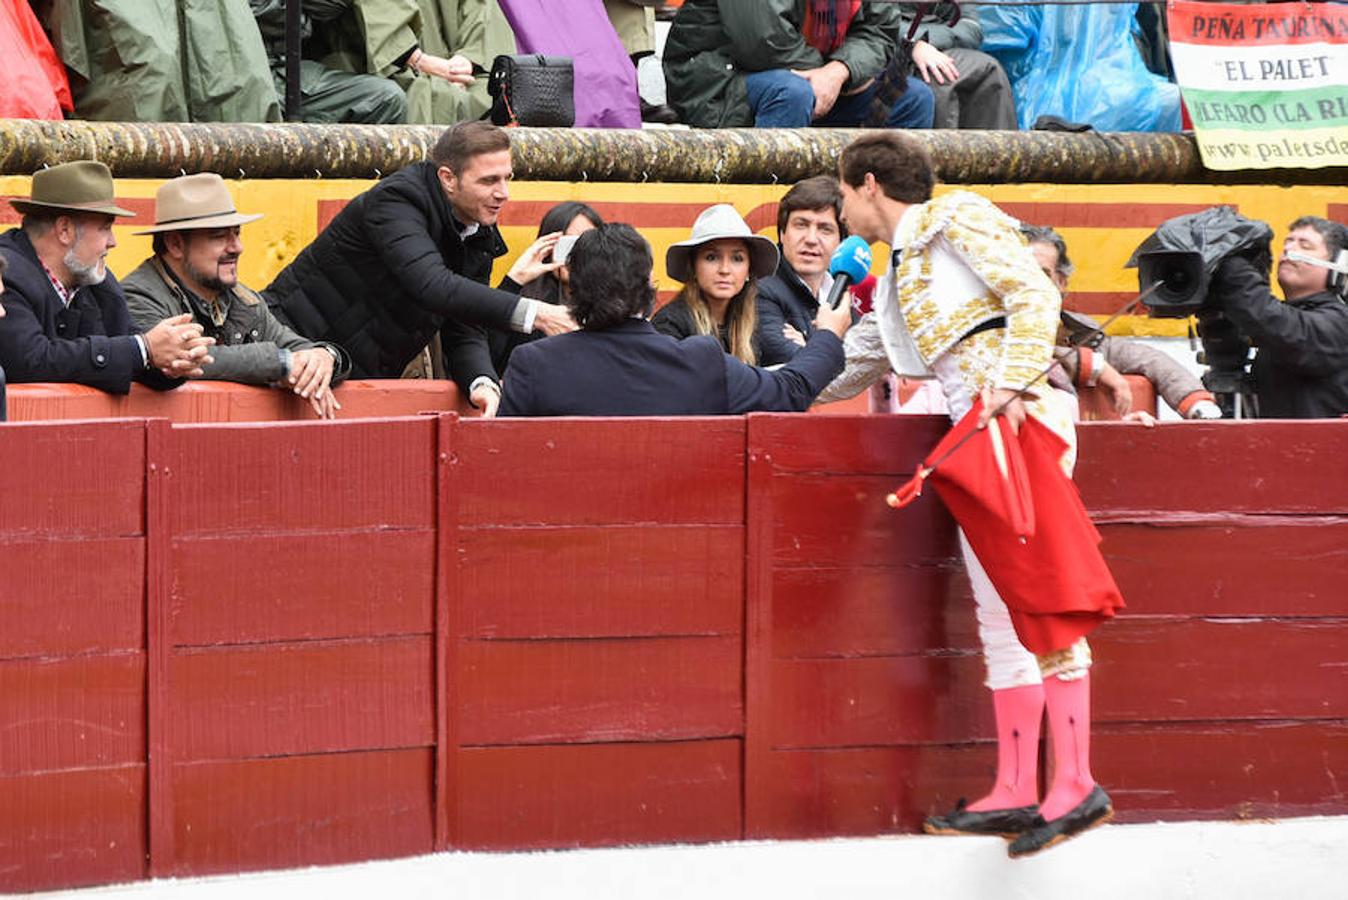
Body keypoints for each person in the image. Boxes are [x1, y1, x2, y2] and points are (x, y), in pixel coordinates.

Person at [820, 132, 1117, 857]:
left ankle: (1075, 780)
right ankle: (1018, 787)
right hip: (972, 432)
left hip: (1014, 422)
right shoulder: (896, 270)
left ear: (866, 184)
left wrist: (1012, 382)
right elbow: (862, 362)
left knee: (1037, 597)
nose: (837, 210)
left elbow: (1033, 292)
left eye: (840, 194)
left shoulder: (957, 217)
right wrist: (768, 389)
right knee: (998, 610)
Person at [264, 121, 574, 416]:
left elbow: (465, 327)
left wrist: (480, 382)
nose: (503, 193)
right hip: (290, 351)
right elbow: (434, 285)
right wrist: (539, 313)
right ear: (448, 178)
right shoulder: (397, 200)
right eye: (489, 180)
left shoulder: (478, 229)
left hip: (349, 375)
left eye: (508, 177)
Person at [499, 223, 851, 416]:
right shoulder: (700, 361)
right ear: (650, 287)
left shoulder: (533, 364)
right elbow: (791, 390)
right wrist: (828, 334)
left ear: (572, 292)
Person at [122, 174, 352, 419]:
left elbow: (294, 348)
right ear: (175, 244)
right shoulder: (137, 296)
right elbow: (183, 360)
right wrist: (281, 364)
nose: (237, 247)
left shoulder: (244, 300)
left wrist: (325, 357)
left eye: (237, 233)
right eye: (219, 236)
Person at [0, 161, 214, 394]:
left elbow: (126, 347)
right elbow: (29, 361)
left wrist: (171, 362)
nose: (113, 242)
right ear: (64, 230)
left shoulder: (96, 280)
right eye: (105, 227)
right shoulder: (6, 272)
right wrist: (143, 349)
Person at [1021, 224, 1222, 421]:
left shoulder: (1079, 332)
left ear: (1061, 283)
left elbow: (1148, 359)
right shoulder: (994, 327)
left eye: (1042, 274)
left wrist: (1197, 403)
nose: (1030, 283)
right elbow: (1024, 357)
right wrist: (1094, 366)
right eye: (1020, 273)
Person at [662, 0, 934, 130]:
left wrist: (841, 71)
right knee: (792, 93)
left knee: (910, 98)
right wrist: (831, 76)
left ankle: (887, 217)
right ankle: (776, 207)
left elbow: (878, 31)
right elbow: (763, 41)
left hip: (821, 78)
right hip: (720, 82)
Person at [1210, 216, 1348, 418]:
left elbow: (1274, 321)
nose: (1289, 251)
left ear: (1339, 264)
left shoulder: (1340, 322)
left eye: (1305, 245)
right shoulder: (1283, 322)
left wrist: (1228, 262)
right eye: (1288, 243)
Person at [652, 204, 777, 365]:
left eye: (737, 259)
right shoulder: (670, 325)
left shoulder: (749, 323)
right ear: (693, 267)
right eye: (711, 257)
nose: (724, 269)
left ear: (748, 270)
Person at [489, 201, 604, 376]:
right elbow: (488, 353)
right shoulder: (524, 302)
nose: (575, 255)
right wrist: (512, 283)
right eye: (567, 244)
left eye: (585, 243)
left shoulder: (612, 306)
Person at [249, 0, 410, 124]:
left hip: (286, 70)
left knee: (388, 98)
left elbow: (330, 6)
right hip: (249, 72)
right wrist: (303, 16)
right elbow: (263, 12)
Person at [755, 175, 847, 367]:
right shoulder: (760, 290)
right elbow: (791, 363)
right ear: (782, 233)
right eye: (801, 225)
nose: (811, 239)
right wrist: (830, 341)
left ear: (841, 242)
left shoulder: (842, 292)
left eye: (825, 229)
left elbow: (868, 366)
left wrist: (809, 346)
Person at [889, 3, 1016, 130]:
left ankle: (997, 146)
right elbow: (880, 24)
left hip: (939, 46)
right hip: (892, 51)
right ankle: (940, 148)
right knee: (940, 79)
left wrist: (924, 40)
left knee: (989, 70)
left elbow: (971, 29)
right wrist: (913, 44)